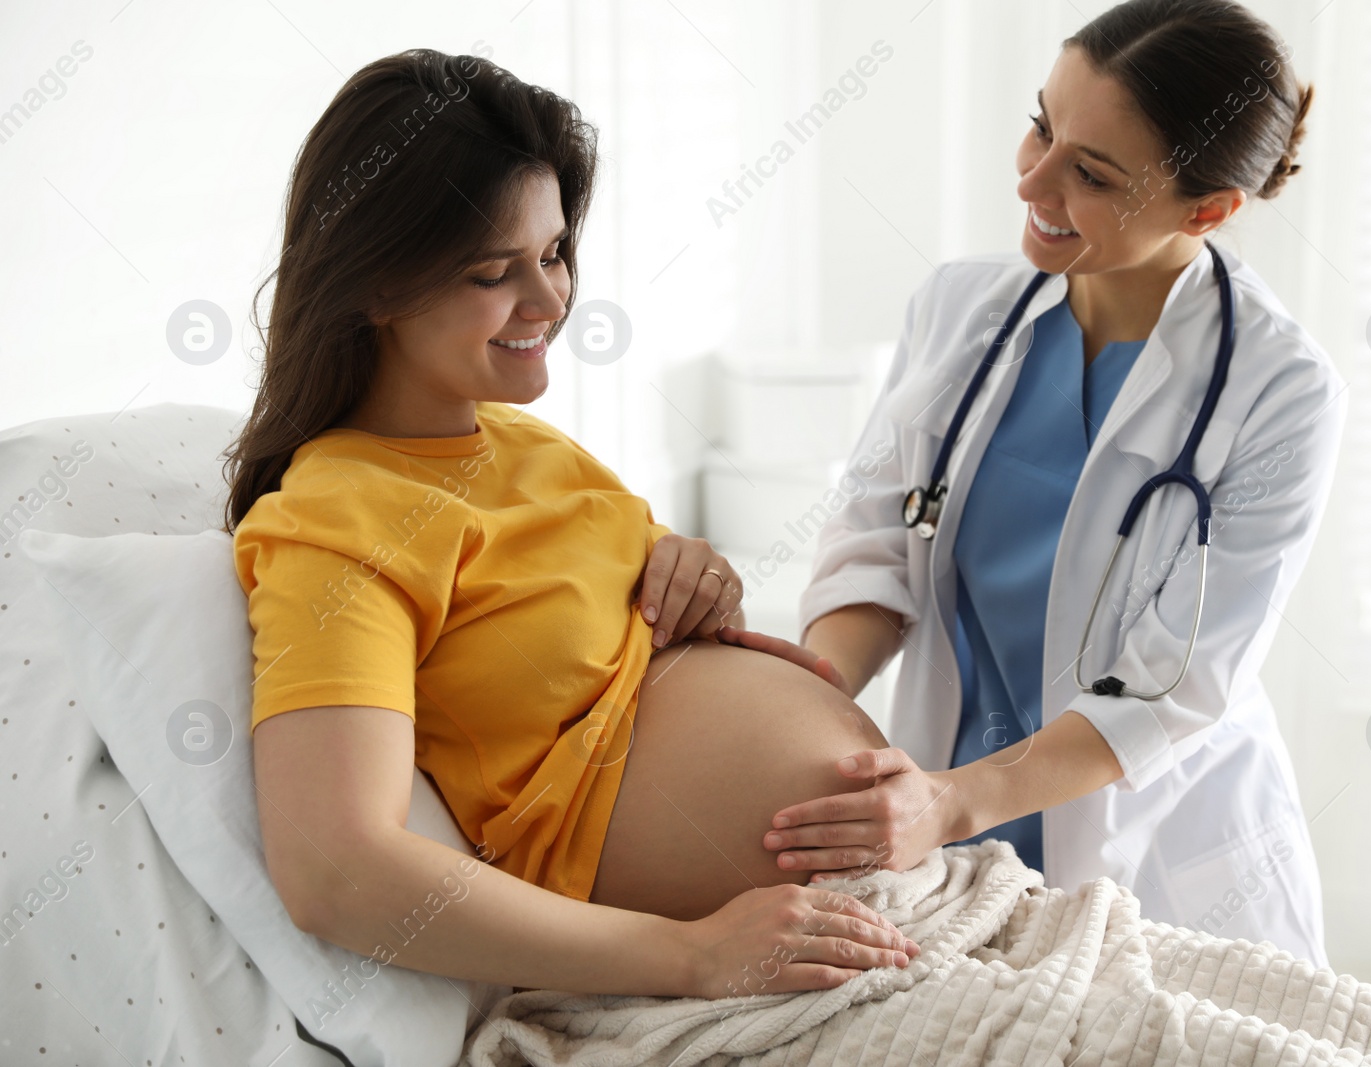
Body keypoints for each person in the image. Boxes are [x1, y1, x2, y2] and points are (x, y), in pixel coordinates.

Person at [223, 48, 922, 1000]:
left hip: (882, 902)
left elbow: (603, 641)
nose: (551, 301)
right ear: (377, 287)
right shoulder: (335, 522)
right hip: (735, 959)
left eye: (553, 253)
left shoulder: (527, 441)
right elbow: (336, 870)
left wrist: (692, 567)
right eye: (492, 273)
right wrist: (693, 955)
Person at [719, 0, 1344, 966]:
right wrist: (800, 708)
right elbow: (875, 551)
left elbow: (1172, 686)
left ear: (1209, 210)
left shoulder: (1280, 390)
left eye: (1091, 174)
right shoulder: (958, 309)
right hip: (945, 833)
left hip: (1152, 852)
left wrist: (956, 798)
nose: (1032, 179)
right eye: (1043, 127)